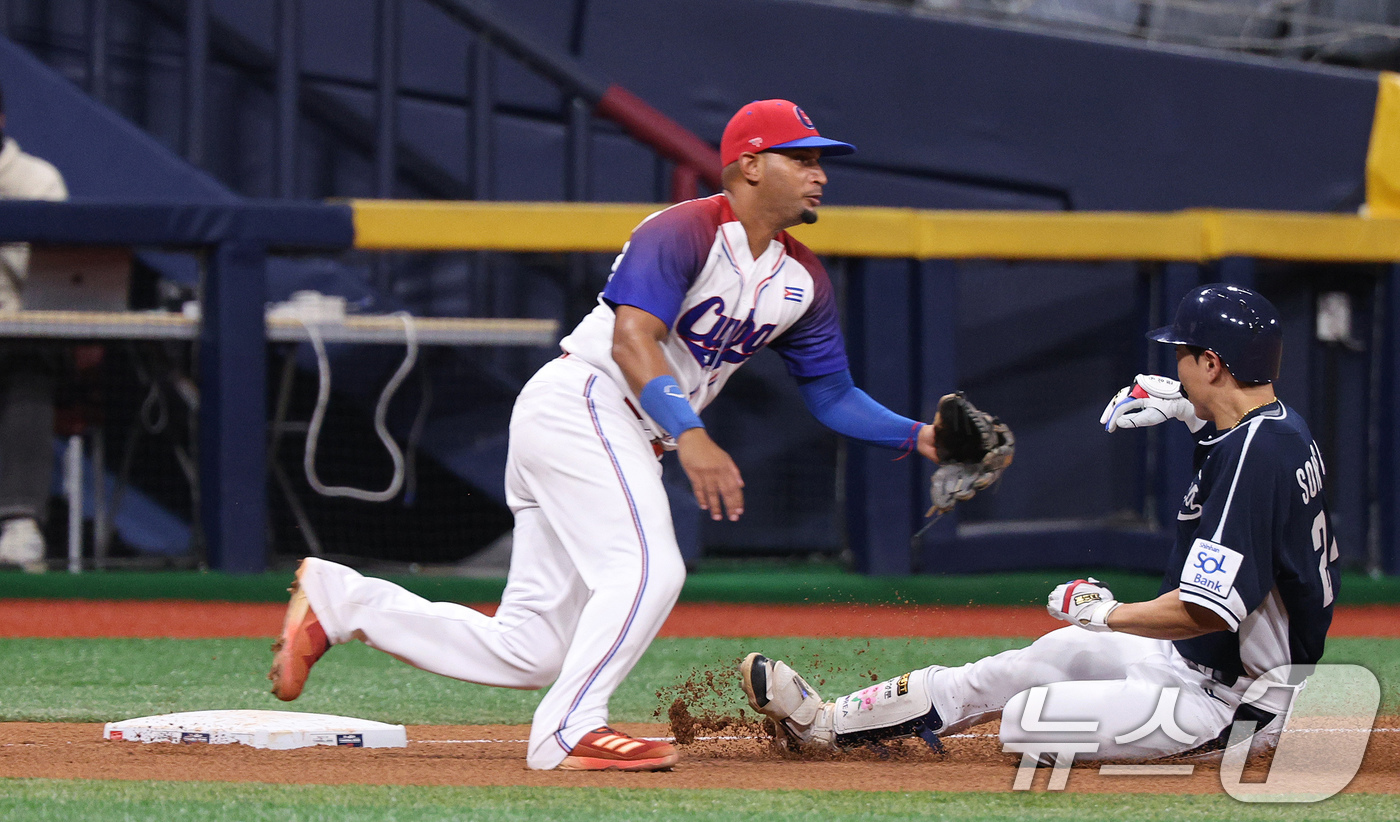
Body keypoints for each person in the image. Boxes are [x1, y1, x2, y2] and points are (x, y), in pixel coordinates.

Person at [269, 100, 959, 771]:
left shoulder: (801, 277)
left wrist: (919, 437)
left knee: (531, 649)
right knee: (650, 569)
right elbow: (633, 339)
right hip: (586, 403)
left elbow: (832, 393)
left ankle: (343, 601)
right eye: (801, 158)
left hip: (616, 431)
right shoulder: (683, 230)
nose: (820, 174)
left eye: (819, 162)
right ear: (749, 165)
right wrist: (691, 435)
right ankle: (569, 732)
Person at [742, 284, 1339, 763]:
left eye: (1183, 357)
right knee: (1030, 662)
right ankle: (823, 725)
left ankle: (1224, 746)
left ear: (1212, 363)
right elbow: (1240, 464)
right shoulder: (1279, 429)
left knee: (1029, 723)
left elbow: (1208, 609)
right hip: (1194, 664)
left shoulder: (1251, 456)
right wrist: (1190, 412)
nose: (1175, 367)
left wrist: (1108, 615)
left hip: (1233, 700)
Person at [0, 80, 68, 573]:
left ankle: (20, 522)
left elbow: (58, 281)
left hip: (19, 332)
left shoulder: (36, 180)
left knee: (27, 365)